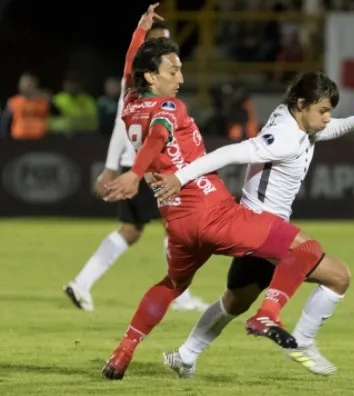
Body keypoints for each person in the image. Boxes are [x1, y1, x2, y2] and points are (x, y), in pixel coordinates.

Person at [101, 4, 326, 380]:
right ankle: (267, 314)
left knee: (173, 283)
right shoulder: (169, 106)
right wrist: (135, 174)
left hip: (176, 223)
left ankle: (123, 352)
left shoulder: (129, 103)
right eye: (173, 70)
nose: (181, 78)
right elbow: (158, 134)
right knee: (307, 250)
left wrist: (139, 30)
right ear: (152, 77)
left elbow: (128, 72)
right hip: (214, 213)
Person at [152, 72, 354, 378]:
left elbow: (318, 131)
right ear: (301, 104)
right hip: (260, 225)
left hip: (262, 226)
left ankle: (184, 355)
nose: (328, 118)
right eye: (323, 110)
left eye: (330, 112)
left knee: (233, 302)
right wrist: (180, 178)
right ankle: (295, 335)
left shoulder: (296, 120)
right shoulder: (284, 138)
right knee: (336, 274)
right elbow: (229, 153)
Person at [63, 19, 207, 312]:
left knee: (134, 230)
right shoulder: (148, 93)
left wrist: (140, 26)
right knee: (176, 228)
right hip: (148, 167)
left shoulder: (132, 86)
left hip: (140, 165)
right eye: (161, 43)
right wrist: (114, 167)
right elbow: (128, 127)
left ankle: (82, 283)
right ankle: (180, 296)